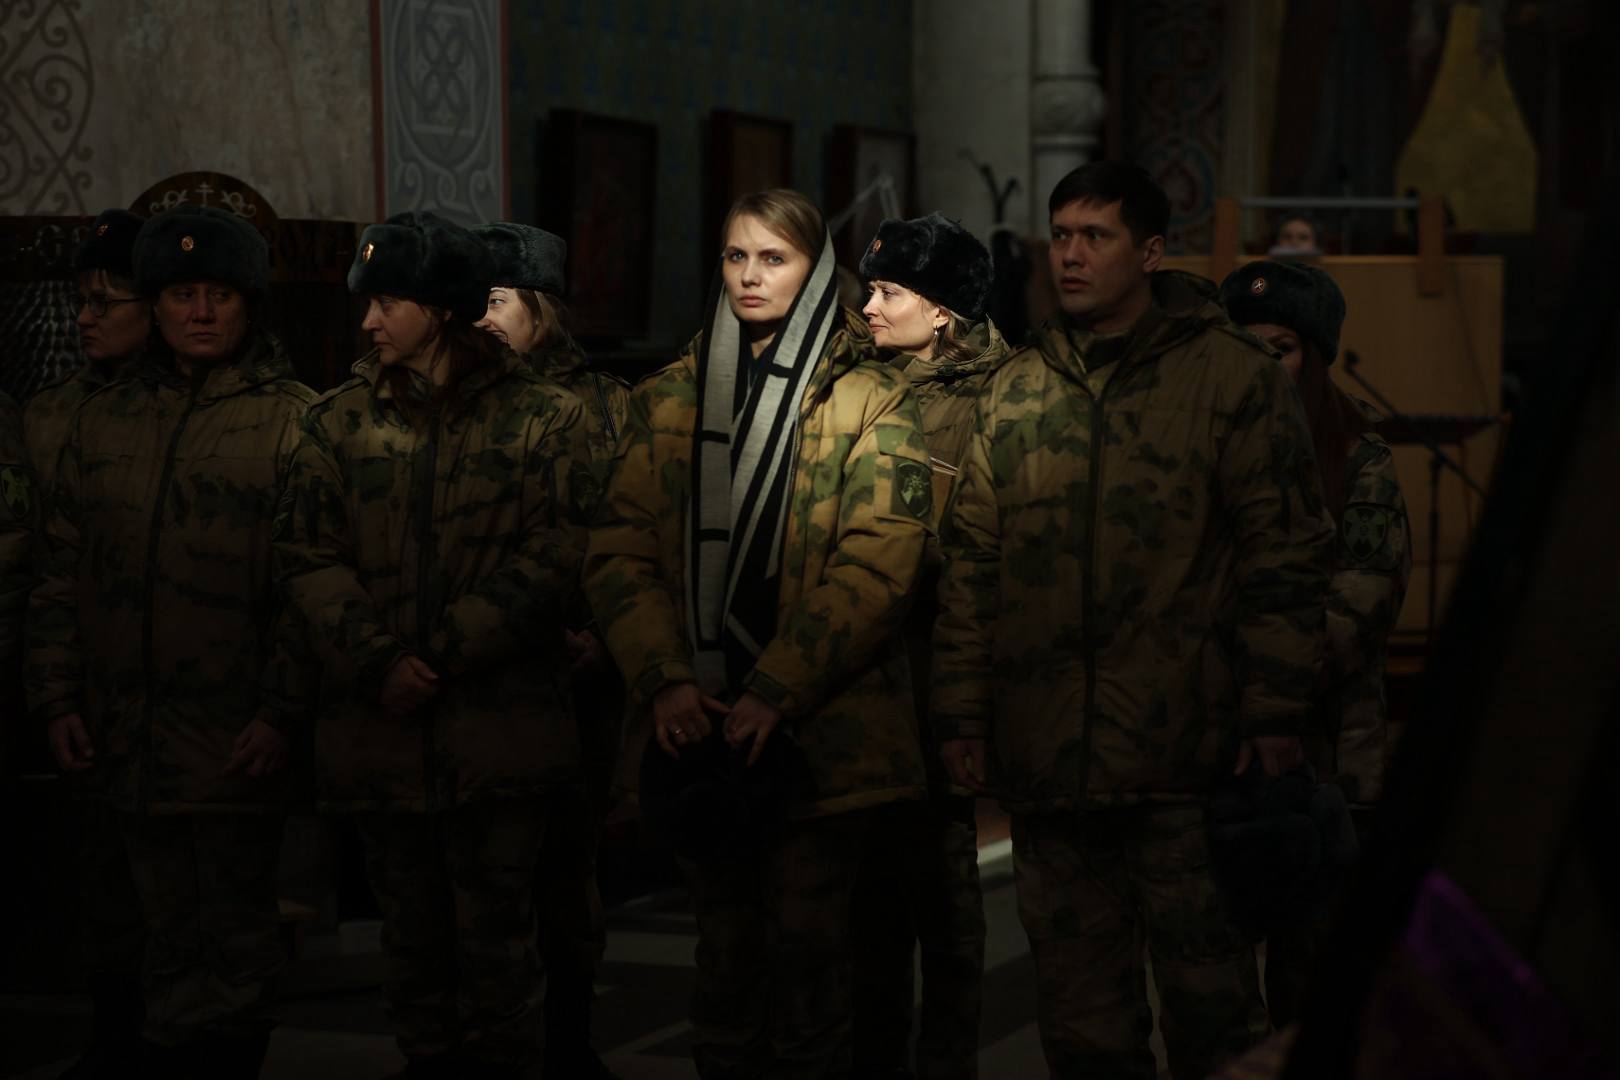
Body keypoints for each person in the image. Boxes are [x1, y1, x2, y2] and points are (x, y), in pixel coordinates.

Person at [930, 162, 1336, 1079]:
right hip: (1052, 764)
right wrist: (961, 712)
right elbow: (974, 562)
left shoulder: (1228, 376)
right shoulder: (1018, 387)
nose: (1070, 255)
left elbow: (1282, 552)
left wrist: (1273, 709)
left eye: (1095, 236)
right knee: (1083, 1030)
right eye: (1061, 236)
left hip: (1185, 758)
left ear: (1150, 253)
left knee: (1213, 1018)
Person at [583, 188, 934, 1079]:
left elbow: (878, 565)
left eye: (773, 258)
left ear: (815, 272)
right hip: (697, 724)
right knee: (724, 968)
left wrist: (777, 687)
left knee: (812, 969)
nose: (749, 275)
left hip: (825, 734)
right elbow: (620, 551)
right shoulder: (670, 399)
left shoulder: (870, 398)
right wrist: (665, 678)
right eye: (736, 256)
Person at [273, 210, 591, 1078]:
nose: (368, 322)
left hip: (498, 734)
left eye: (388, 302)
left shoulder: (544, 419)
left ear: (443, 308)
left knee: (499, 959)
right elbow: (306, 556)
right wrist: (379, 660)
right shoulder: (336, 422)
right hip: (381, 736)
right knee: (411, 957)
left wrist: (445, 654)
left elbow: (559, 551)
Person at [26, 203, 315, 1076]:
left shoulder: (296, 422)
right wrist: (56, 695)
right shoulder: (105, 421)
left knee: (232, 947)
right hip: (124, 734)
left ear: (249, 304)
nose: (201, 312)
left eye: (219, 294)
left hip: (232, 740)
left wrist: (281, 710)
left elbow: (312, 587)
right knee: (149, 940)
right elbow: (61, 570)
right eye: (182, 293)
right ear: (153, 304)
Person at [1219, 258, 1412, 1024]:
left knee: (1315, 975)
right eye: (1247, 347)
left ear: (1315, 356)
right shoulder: (1208, 444)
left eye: (1282, 349)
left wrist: (1272, 687)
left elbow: (1363, 596)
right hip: (1222, 746)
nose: (1264, 366)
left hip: (1328, 750)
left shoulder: (1357, 453)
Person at [851, 212, 1008, 1080]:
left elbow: (987, 548)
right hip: (853, 679)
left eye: (888, 292)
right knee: (863, 908)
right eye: (869, 289)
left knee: (944, 903)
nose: (870, 307)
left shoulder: (995, 398)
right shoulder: (852, 381)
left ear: (942, 310)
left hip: (930, 676)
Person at [472, 219, 627, 1079]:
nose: (483, 318)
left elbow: (632, 533)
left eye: (499, 300)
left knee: (566, 866)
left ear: (542, 308)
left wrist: (604, 634)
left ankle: (569, 1038)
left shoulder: (606, 406)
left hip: (578, 674)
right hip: (488, 667)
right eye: (474, 301)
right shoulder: (465, 397)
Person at [22, 207, 153, 1080]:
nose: (85, 317)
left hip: (178, 690)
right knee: (100, 888)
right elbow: (46, 565)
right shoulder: (49, 416)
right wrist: (53, 691)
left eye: (107, 301)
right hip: (88, 685)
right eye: (81, 300)